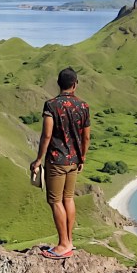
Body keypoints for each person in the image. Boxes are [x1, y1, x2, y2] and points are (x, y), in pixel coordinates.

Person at [30, 67, 91, 259]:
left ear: (58, 84)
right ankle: (69, 241)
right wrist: (82, 158)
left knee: (55, 201)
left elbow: (47, 135)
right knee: (68, 199)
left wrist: (38, 160)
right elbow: (86, 137)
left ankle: (64, 244)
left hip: (56, 161)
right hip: (74, 160)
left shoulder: (51, 105)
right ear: (75, 84)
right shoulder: (83, 106)